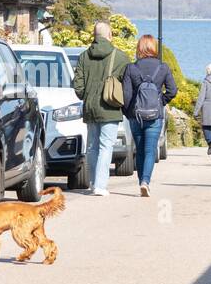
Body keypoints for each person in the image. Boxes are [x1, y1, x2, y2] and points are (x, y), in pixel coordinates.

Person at [72, 21, 129, 197]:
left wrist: (86, 96)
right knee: (106, 147)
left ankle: (92, 182)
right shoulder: (120, 57)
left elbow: (78, 86)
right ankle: (100, 185)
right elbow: (127, 86)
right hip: (110, 108)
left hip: (90, 107)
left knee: (92, 147)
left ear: (94, 36)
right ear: (110, 35)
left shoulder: (83, 56)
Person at [122, 35, 177, 196]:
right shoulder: (163, 67)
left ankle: (141, 182)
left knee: (139, 150)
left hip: (135, 115)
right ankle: (146, 181)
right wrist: (161, 102)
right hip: (155, 115)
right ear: (154, 48)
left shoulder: (131, 68)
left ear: (139, 48)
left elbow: (126, 94)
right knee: (150, 150)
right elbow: (173, 90)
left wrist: (127, 111)